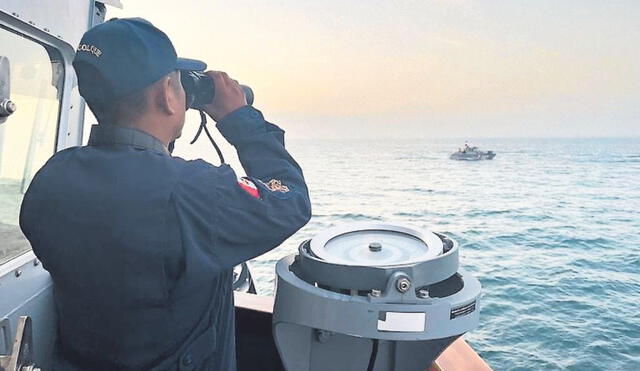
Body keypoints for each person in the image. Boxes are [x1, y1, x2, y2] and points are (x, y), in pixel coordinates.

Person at [19, 18, 311, 371]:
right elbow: (291, 200)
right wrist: (239, 118)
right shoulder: (194, 192)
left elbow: (135, 196)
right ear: (166, 96)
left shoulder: (52, 179)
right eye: (178, 83)